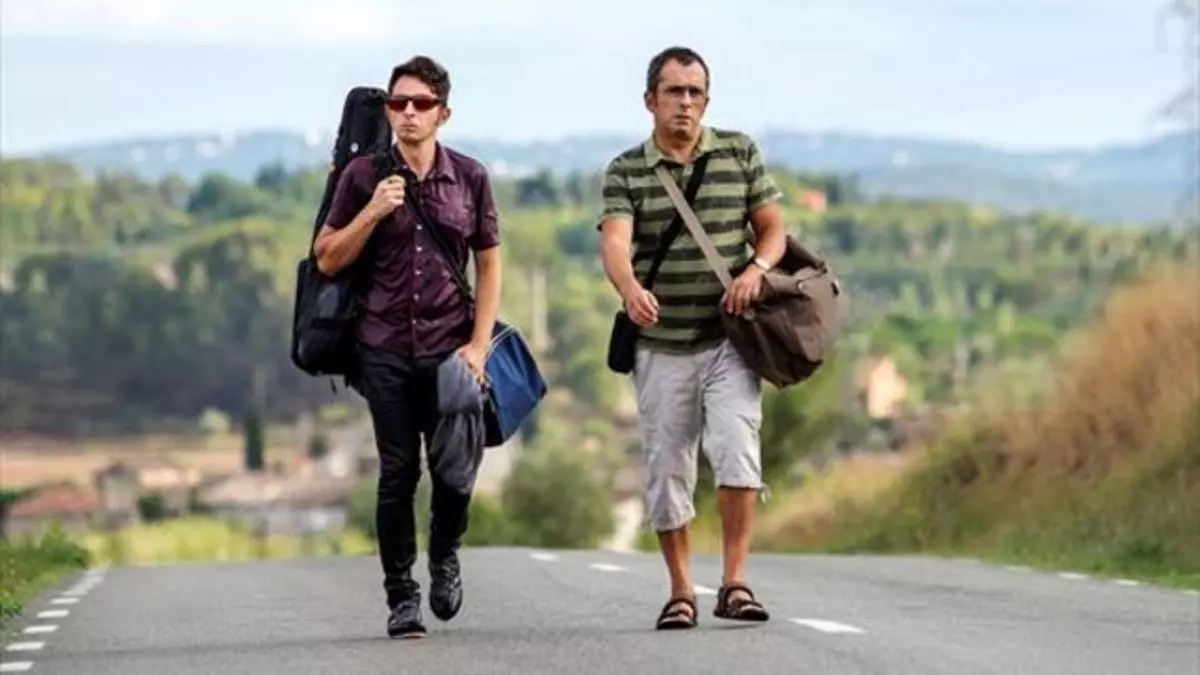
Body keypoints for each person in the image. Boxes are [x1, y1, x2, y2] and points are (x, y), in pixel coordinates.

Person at [597, 46, 787, 630]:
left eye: (694, 92)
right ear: (649, 99)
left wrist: (756, 271)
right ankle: (681, 590)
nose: (684, 102)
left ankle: (735, 582)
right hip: (661, 345)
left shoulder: (739, 152)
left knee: (737, 450)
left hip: (729, 339)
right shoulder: (627, 169)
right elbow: (615, 242)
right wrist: (629, 288)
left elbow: (773, 230)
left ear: (707, 99)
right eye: (673, 91)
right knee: (668, 469)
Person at [313, 55, 502, 639]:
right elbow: (327, 257)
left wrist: (479, 346)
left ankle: (445, 555)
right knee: (398, 472)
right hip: (383, 345)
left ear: (444, 113)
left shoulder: (469, 177)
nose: (408, 113)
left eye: (421, 103)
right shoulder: (362, 176)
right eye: (398, 103)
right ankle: (401, 596)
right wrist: (372, 212)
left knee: (453, 472)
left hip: (450, 348)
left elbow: (489, 263)